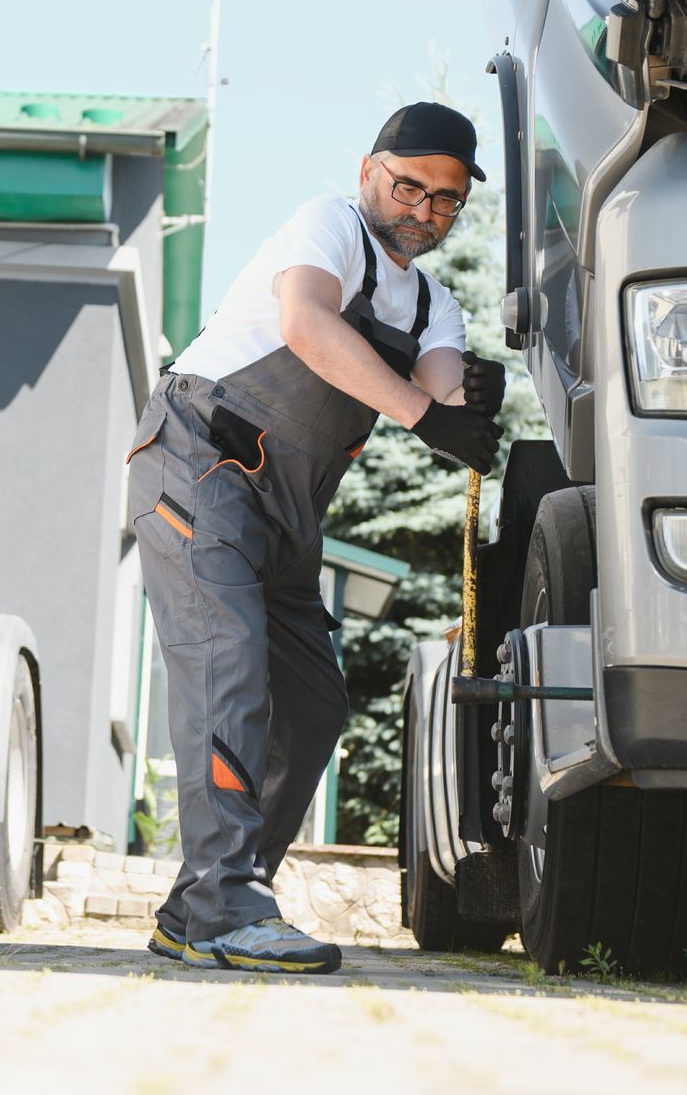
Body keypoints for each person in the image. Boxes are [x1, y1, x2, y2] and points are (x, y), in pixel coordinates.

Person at [127, 101, 505, 974]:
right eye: (411, 186)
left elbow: (441, 390)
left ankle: (204, 906)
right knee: (229, 666)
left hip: (288, 517)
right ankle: (231, 909)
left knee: (310, 707)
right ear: (372, 171)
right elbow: (307, 324)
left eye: (447, 200)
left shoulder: (434, 306)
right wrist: (421, 412)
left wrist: (463, 404)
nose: (425, 210)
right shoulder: (326, 227)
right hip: (200, 466)